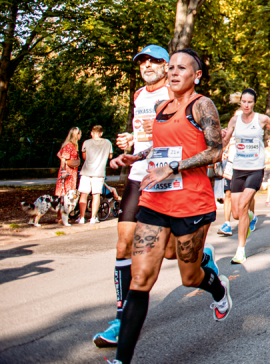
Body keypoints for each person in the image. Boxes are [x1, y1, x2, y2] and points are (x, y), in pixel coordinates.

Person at [106, 48, 231, 364]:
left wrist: (174, 167)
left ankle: (218, 289)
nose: (174, 72)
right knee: (141, 279)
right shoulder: (161, 106)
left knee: (189, 277)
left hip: (192, 205)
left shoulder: (202, 105)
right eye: (171, 67)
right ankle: (121, 360)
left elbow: (215, 152)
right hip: (156, 200)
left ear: (196, 75)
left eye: (182, 68)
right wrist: (136, 156)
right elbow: (160, 149)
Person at [95, 46, 191, 349]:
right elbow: (140, 133)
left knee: (172, 252)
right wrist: (130, 143)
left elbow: (187, 134)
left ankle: (202, 261)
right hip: (139, 174)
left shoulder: (177, 92)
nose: (147, 65)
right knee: (124, 242)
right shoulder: (138, 95)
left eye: (154, 61)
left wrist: (164, 126)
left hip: (166, 177)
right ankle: (121, 316)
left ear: (166, 66)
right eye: (142, 62)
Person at [220, 88, 270, 264]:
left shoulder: (262, 119)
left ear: (254, 103)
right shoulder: (234, 120)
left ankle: (240, 250)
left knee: (244, 204)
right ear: (240, 102)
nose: (246, 105)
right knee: (237, 214)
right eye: (244, 102)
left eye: (250, 102)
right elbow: (226, 139)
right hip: (238, 169)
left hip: (255, 169)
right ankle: (250, 216)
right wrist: (219, 148)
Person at [79, 125, 113, 224]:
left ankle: (81, 218)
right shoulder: (107, 143)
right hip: (99, 172)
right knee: (96, 195)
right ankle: (93, 217)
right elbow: (110, 156)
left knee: (83, 194)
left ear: (91, 133)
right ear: (101, 133)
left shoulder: (86, 142)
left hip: (86, 171)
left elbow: (84, 157)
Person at [55, 127, 82, 226]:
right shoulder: (69, 146)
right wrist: (63, 170)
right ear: (76, 135)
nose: (80, 136)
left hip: (71, 172)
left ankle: (62, 216)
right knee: (65, 194)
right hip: (68, 172)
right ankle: (60, 217)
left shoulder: (71, 145)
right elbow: (63, 158)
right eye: (79, 134)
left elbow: (59, 154)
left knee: (66, 194)